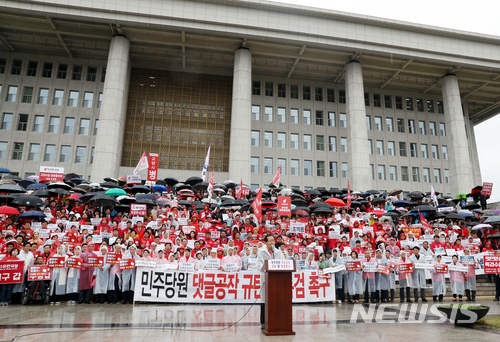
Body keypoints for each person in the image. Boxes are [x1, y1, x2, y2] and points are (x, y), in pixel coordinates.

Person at [256, 234, 284, 330]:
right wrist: (265, 268)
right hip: (266, 279)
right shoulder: (261, 252)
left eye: (273, 240)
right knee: (264, 300)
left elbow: (283, 263)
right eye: (270, 241)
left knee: (275, 300)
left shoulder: (278, 252)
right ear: (266, 242)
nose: (272, 242)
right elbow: (259, 264)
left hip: (276, 279)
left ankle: (276, 320)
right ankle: (264, 322)